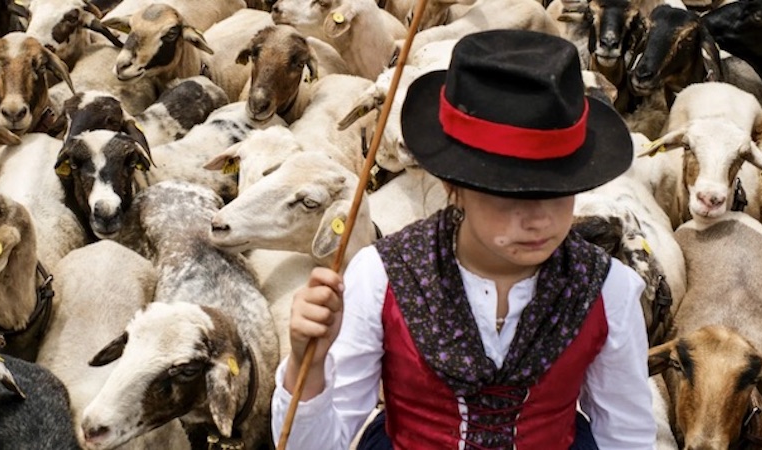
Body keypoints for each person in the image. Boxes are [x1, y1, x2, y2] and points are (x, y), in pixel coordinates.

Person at [271, 29, 656, 449]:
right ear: (454, 185)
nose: (540, 219)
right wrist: (308, 369)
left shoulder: (607, 291)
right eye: (508, 194)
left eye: (559, 191)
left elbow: (626, 436)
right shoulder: (382, 277)